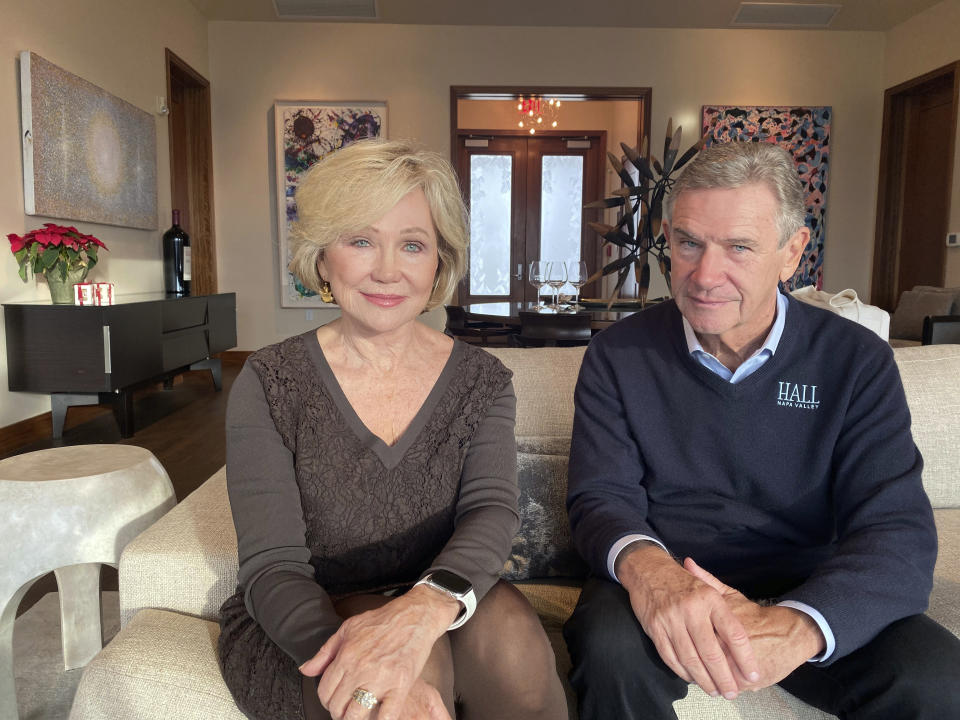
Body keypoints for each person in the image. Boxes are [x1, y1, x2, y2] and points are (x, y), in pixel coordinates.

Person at [563, 141, 960, 720]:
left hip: (814, 580)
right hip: (671, 574)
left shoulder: (856, 361)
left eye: (739, 248)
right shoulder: (618, 354)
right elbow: (600, 498)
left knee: (940, 681)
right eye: (689, 243)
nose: (704, 275)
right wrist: (654, 577)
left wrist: (798, 625)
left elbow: (897, 532)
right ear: (667, 237)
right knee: (608, 650)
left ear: (791, 252)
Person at [217, 138, 567, 720]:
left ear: (439, 263)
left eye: (412, 245)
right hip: (311, 619)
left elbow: (491, 513)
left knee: (510, 633)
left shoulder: (482, 382)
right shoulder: (270, 380)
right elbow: (272, 566)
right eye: (361, 241)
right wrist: (364, 657)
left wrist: (425, 606)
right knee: (398, 680)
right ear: (323, 257)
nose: (386, 270)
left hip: (440, 593)